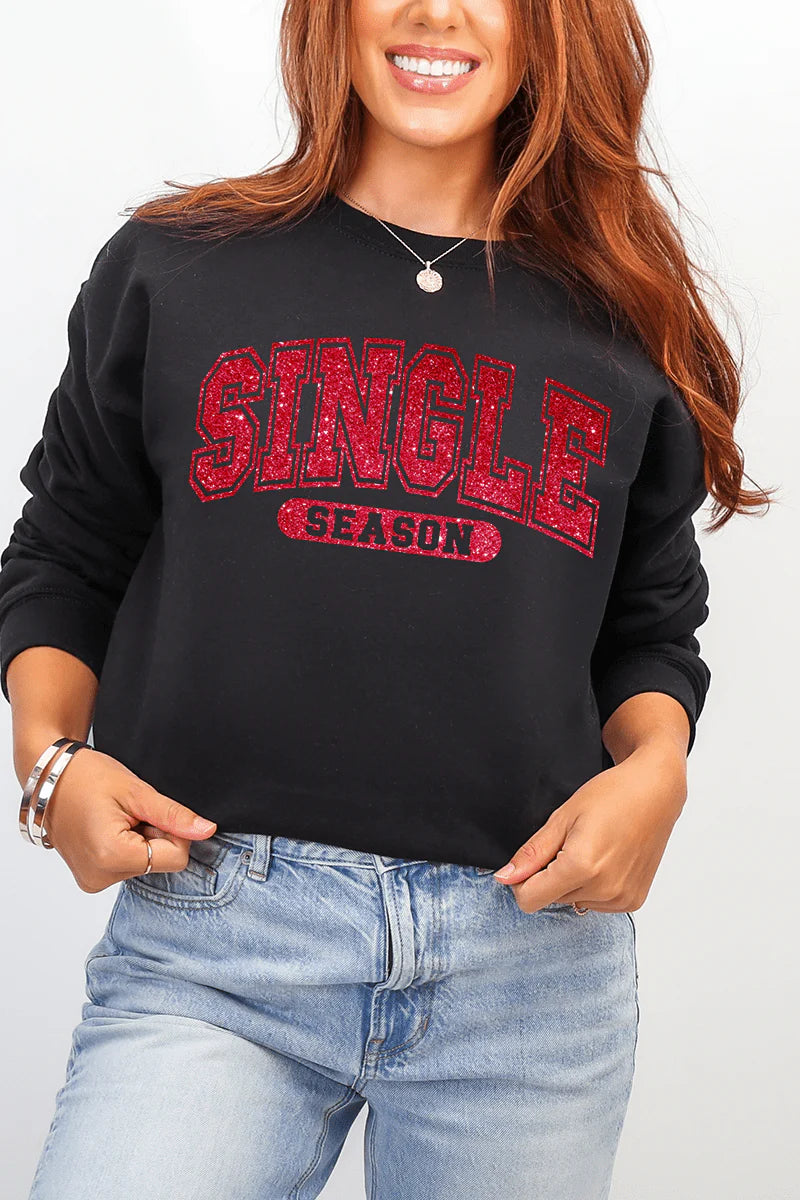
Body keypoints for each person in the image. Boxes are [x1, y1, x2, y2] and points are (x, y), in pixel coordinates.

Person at [2, 2, 772, 1198]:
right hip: (218, 940)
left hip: (525, 970)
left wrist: (655, 771)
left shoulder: (623, 317)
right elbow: (69, 546)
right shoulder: (176, 266)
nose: (433, 13)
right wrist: (49, 765)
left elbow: (647, 628)